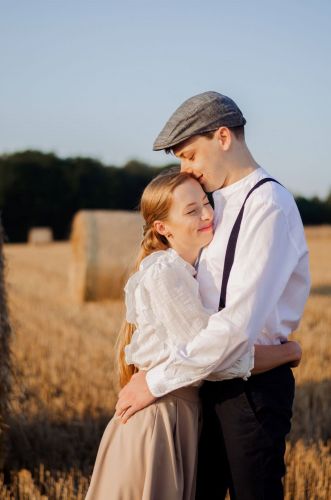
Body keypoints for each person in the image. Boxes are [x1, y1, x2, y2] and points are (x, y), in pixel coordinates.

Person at [115, 91, 311, 499]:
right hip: (201, 381)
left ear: (223, 137)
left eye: (189, 155)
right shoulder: (211, 204)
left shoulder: (267, 206)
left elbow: (236, 326)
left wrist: (157, 381)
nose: (185, 168)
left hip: (249, 391)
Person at [86, 170, 302, 500]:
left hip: (179, 417)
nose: (206, 214)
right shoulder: (165, 274)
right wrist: (289, 353)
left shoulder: (187, 273)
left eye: (206, 202)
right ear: (162, 228)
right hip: (159, 423)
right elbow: (218, 361)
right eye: (191, 210)